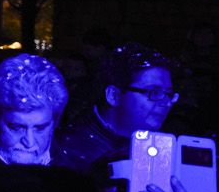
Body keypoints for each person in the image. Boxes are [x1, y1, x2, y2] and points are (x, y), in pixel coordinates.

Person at [56, 44, 178, 172]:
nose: (167, 103)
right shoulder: (70, 152)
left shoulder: (162, 145)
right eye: (154, 92)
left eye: (169, 94)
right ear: (113, 95)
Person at [0, 53, 68, 166]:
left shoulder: (76, 172)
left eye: (40, 128)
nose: (29, 142)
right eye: (16, 127)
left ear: (54, 124)